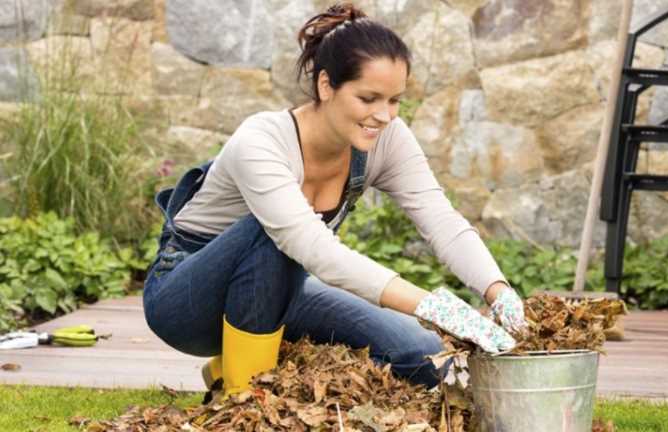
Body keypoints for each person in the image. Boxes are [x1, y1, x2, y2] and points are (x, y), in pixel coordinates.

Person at [142, 2, 527, 398]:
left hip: (284, 291)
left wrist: (498, 292)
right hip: (187, 301)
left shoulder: (386, 138)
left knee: (423, 355)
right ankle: (243, 400)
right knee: (272, 235)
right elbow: (314, 248)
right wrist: (437, 308)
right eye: (368, 98)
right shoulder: (261, 140)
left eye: (394, 100)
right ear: (326, 85)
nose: (384, 115)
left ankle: (252, 363)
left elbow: (440, 220)